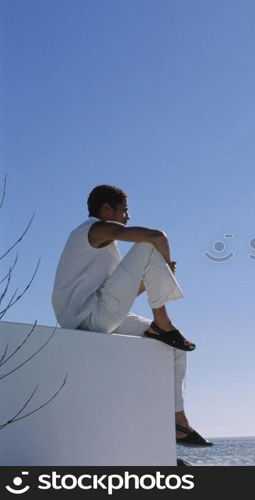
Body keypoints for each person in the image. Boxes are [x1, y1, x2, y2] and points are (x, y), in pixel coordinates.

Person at [52, 184, 212, 447]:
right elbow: (157, 237)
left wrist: (156, 276)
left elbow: (120, 297)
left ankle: (178, 421)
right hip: (88, 318)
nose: (128, 216)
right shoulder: (93, 230)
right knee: (148, 246)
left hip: (94, 316)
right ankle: (163, 323)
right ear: (106, 209)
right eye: (124, 210)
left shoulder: (105, 249)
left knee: (175, 349)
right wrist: (161, 262)